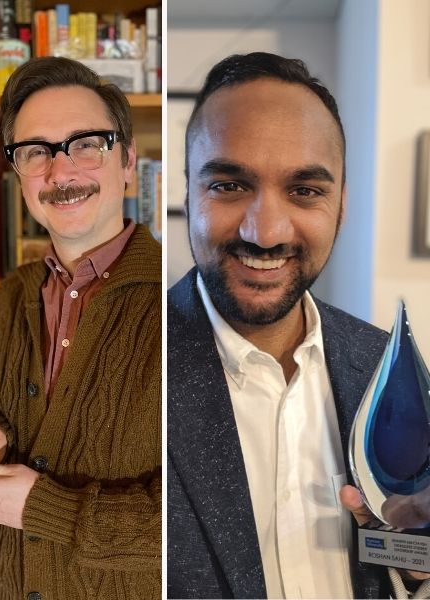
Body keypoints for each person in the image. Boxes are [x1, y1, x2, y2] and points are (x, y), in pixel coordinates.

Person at [167, 51, 427, 599]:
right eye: (230, 185)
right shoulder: (127, 364)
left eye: (305, 190)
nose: (266, 232)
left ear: (341, 204)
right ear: (187, 190)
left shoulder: (387, 371)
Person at [0, 57, 162, 599]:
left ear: (127, 160)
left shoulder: (183, 308)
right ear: (18, 174)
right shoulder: (12, 294)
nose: (60, 171)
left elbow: (199, 519)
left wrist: (45, 509)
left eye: (86, 143)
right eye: (36, 152)